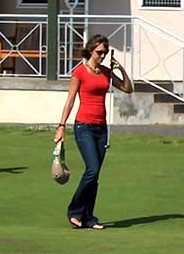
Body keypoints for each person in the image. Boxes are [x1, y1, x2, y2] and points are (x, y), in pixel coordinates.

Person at [54, 35, 134, 230]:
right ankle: (74, 211)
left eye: (105, 53)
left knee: (95, 176)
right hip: (84, 127)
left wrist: (120, 69)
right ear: (90, 51)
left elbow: (127, 88)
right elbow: (70, 100)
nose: (102, 56)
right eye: (99, 52)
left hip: (101, 129)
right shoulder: (80, 72)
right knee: (92, 169)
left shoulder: (105, 72)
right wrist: (61, 126)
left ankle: (88, 218)